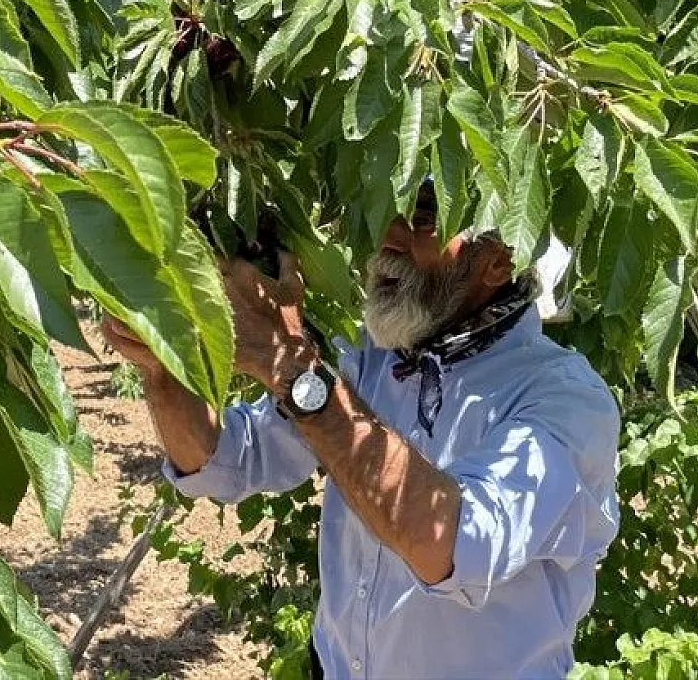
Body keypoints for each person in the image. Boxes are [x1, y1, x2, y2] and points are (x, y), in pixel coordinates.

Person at [105, 185, 621, 679]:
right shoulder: (371, 357)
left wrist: (291, 368)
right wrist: (162, 371)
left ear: (499, 261)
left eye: (422, 219)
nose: (390, 237)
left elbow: (452, 540)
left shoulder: (564, 400)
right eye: (391, 212)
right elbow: (228, 461)